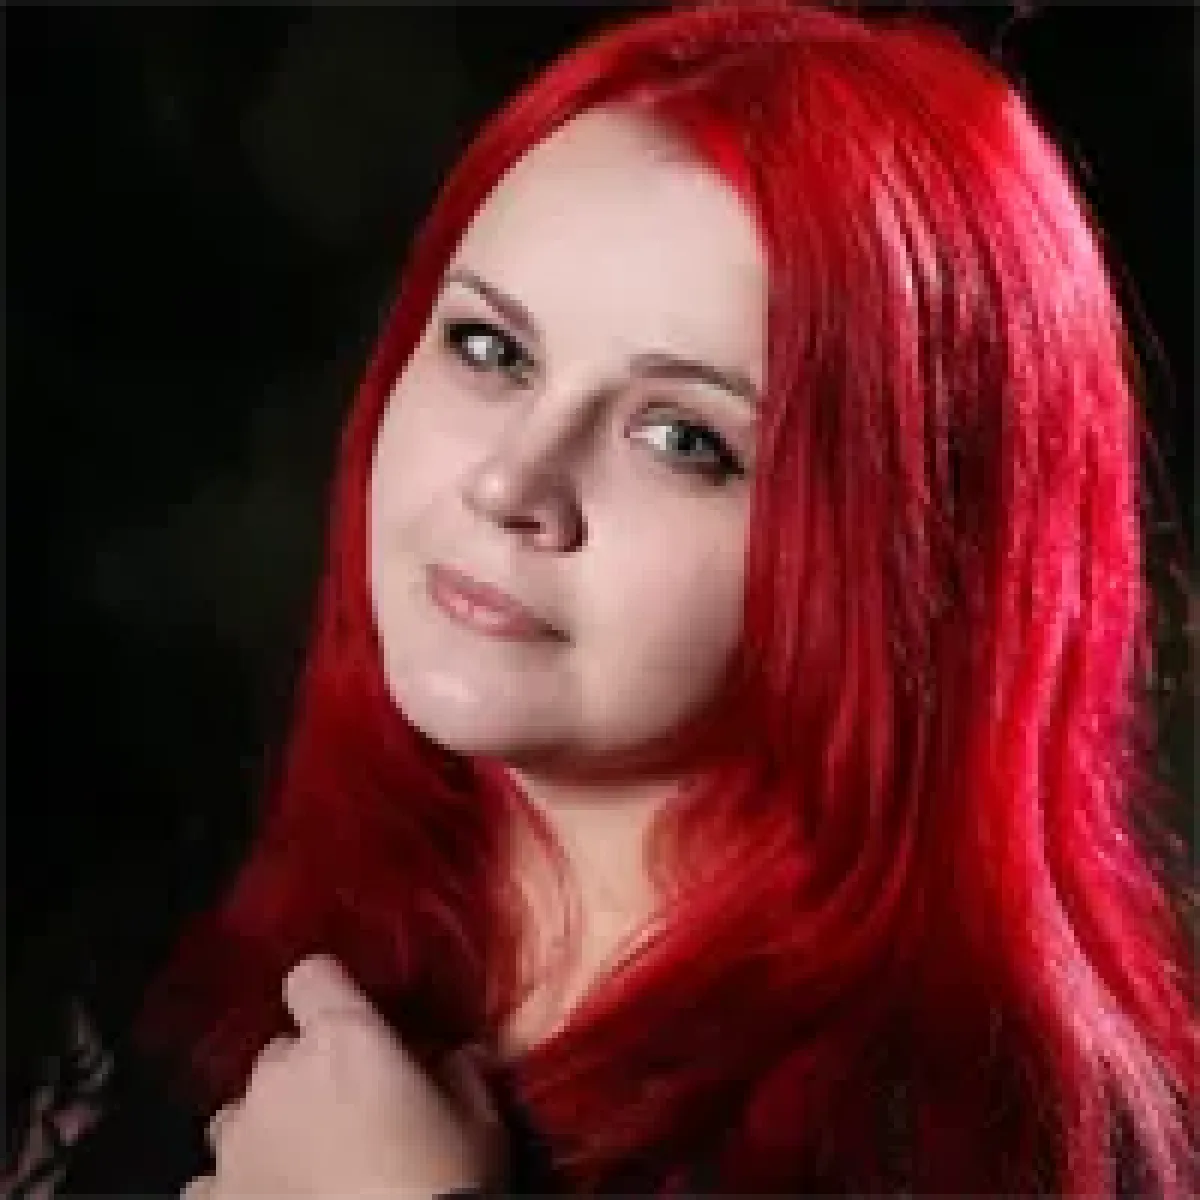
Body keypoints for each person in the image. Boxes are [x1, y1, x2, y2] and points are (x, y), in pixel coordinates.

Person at [4, 1, 1197, 1197]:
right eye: (490, 350)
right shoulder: (195, 932)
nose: (510, 483)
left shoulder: (1002, 1152)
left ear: (905, 554)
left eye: (682, 437)